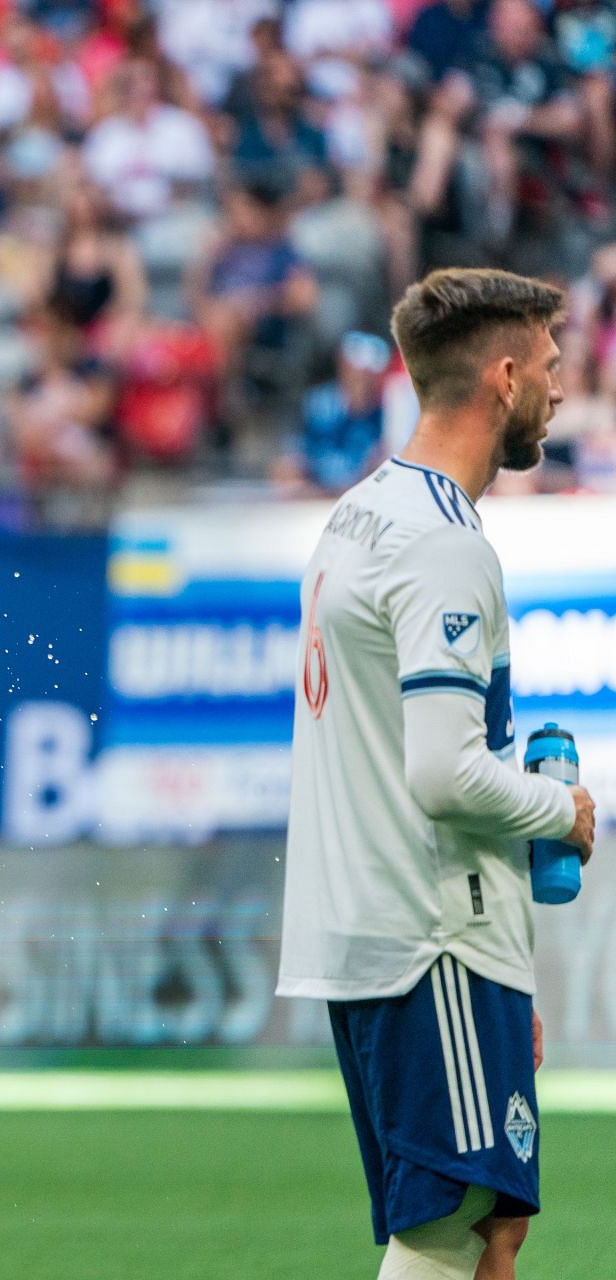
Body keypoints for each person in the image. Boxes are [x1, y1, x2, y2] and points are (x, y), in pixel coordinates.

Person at [277, 268, 598, 1280]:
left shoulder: (359, 513)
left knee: (488, 1227)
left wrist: (508, 959)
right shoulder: (444, 544)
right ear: (502, 377)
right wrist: (568, 808)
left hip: (398, 930)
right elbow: (446, 772)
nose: (559, 385)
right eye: (548, 365)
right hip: (430, 939)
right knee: (449, 1230)